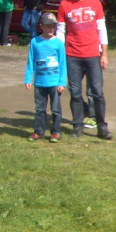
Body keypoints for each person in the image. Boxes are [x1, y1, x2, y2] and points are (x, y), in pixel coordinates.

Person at [56, 0, 111, 140]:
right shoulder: (65, 5)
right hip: (72, 55)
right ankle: (77, 126)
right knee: (75, 92)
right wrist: (59, 55)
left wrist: (104, 54)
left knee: (97, 92)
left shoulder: (95, 4)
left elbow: (102, 30)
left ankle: (102, 127)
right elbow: (60, 32)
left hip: (93, 55)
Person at [24, 12, 66, 143]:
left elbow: (63, 64)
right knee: (40, 109)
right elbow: (30, 61)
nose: (51, 29)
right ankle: (38, 131)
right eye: (48, 26)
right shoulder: (35, 42)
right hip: (40, 82)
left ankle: (56, 132)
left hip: (54, 83)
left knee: (56, 109)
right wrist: (28, 78)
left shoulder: (58, 44)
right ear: (41, 26)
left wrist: (62, 82)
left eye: (53, 26)